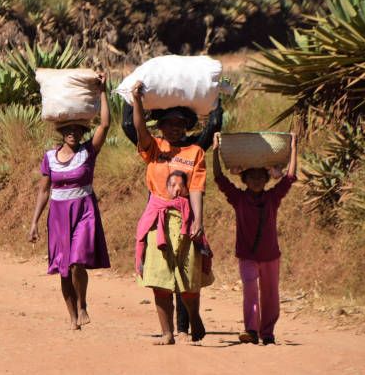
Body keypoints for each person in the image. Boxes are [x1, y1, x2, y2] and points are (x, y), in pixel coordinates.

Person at [122, 97, 222, 335]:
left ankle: (193, 317)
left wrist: (199, 220)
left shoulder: (195, 152)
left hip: (185, 219)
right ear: (161, 127)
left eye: (180, 124)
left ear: (187, 126)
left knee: (188, 280)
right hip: (158, 221)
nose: (175, 128)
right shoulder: (154, 147)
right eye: (169, 123)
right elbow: (138, 127)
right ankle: (168, 333)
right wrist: (136, 99)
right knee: (159, 279)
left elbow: (197, 187)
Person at [29, 72, 112, 330]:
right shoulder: (50, 157)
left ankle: (83, 304)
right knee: (63, 268)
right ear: (62, 132)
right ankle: (72, 316)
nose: (73, 134)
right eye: (68, 130)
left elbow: (105, 125)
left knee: (76, 262)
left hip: (84, 210)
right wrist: (34, 223)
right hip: (58, 214)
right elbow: (44, 191)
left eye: (77, 130)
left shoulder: (88, 152)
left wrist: (102, 92)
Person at [212, 132, 298, 345]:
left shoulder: (272, 197)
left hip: (270, 256)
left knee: (270, 295)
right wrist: (215, 151)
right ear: (245, 179)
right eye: (252, 177)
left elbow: (289, 177)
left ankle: (267, 333)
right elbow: (219, 179)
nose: (257, 180)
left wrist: (294, 147)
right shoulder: (238, 198)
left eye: (261, 177)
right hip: (247, 256)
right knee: (250, 290)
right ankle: (251, 330)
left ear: (267, 179)